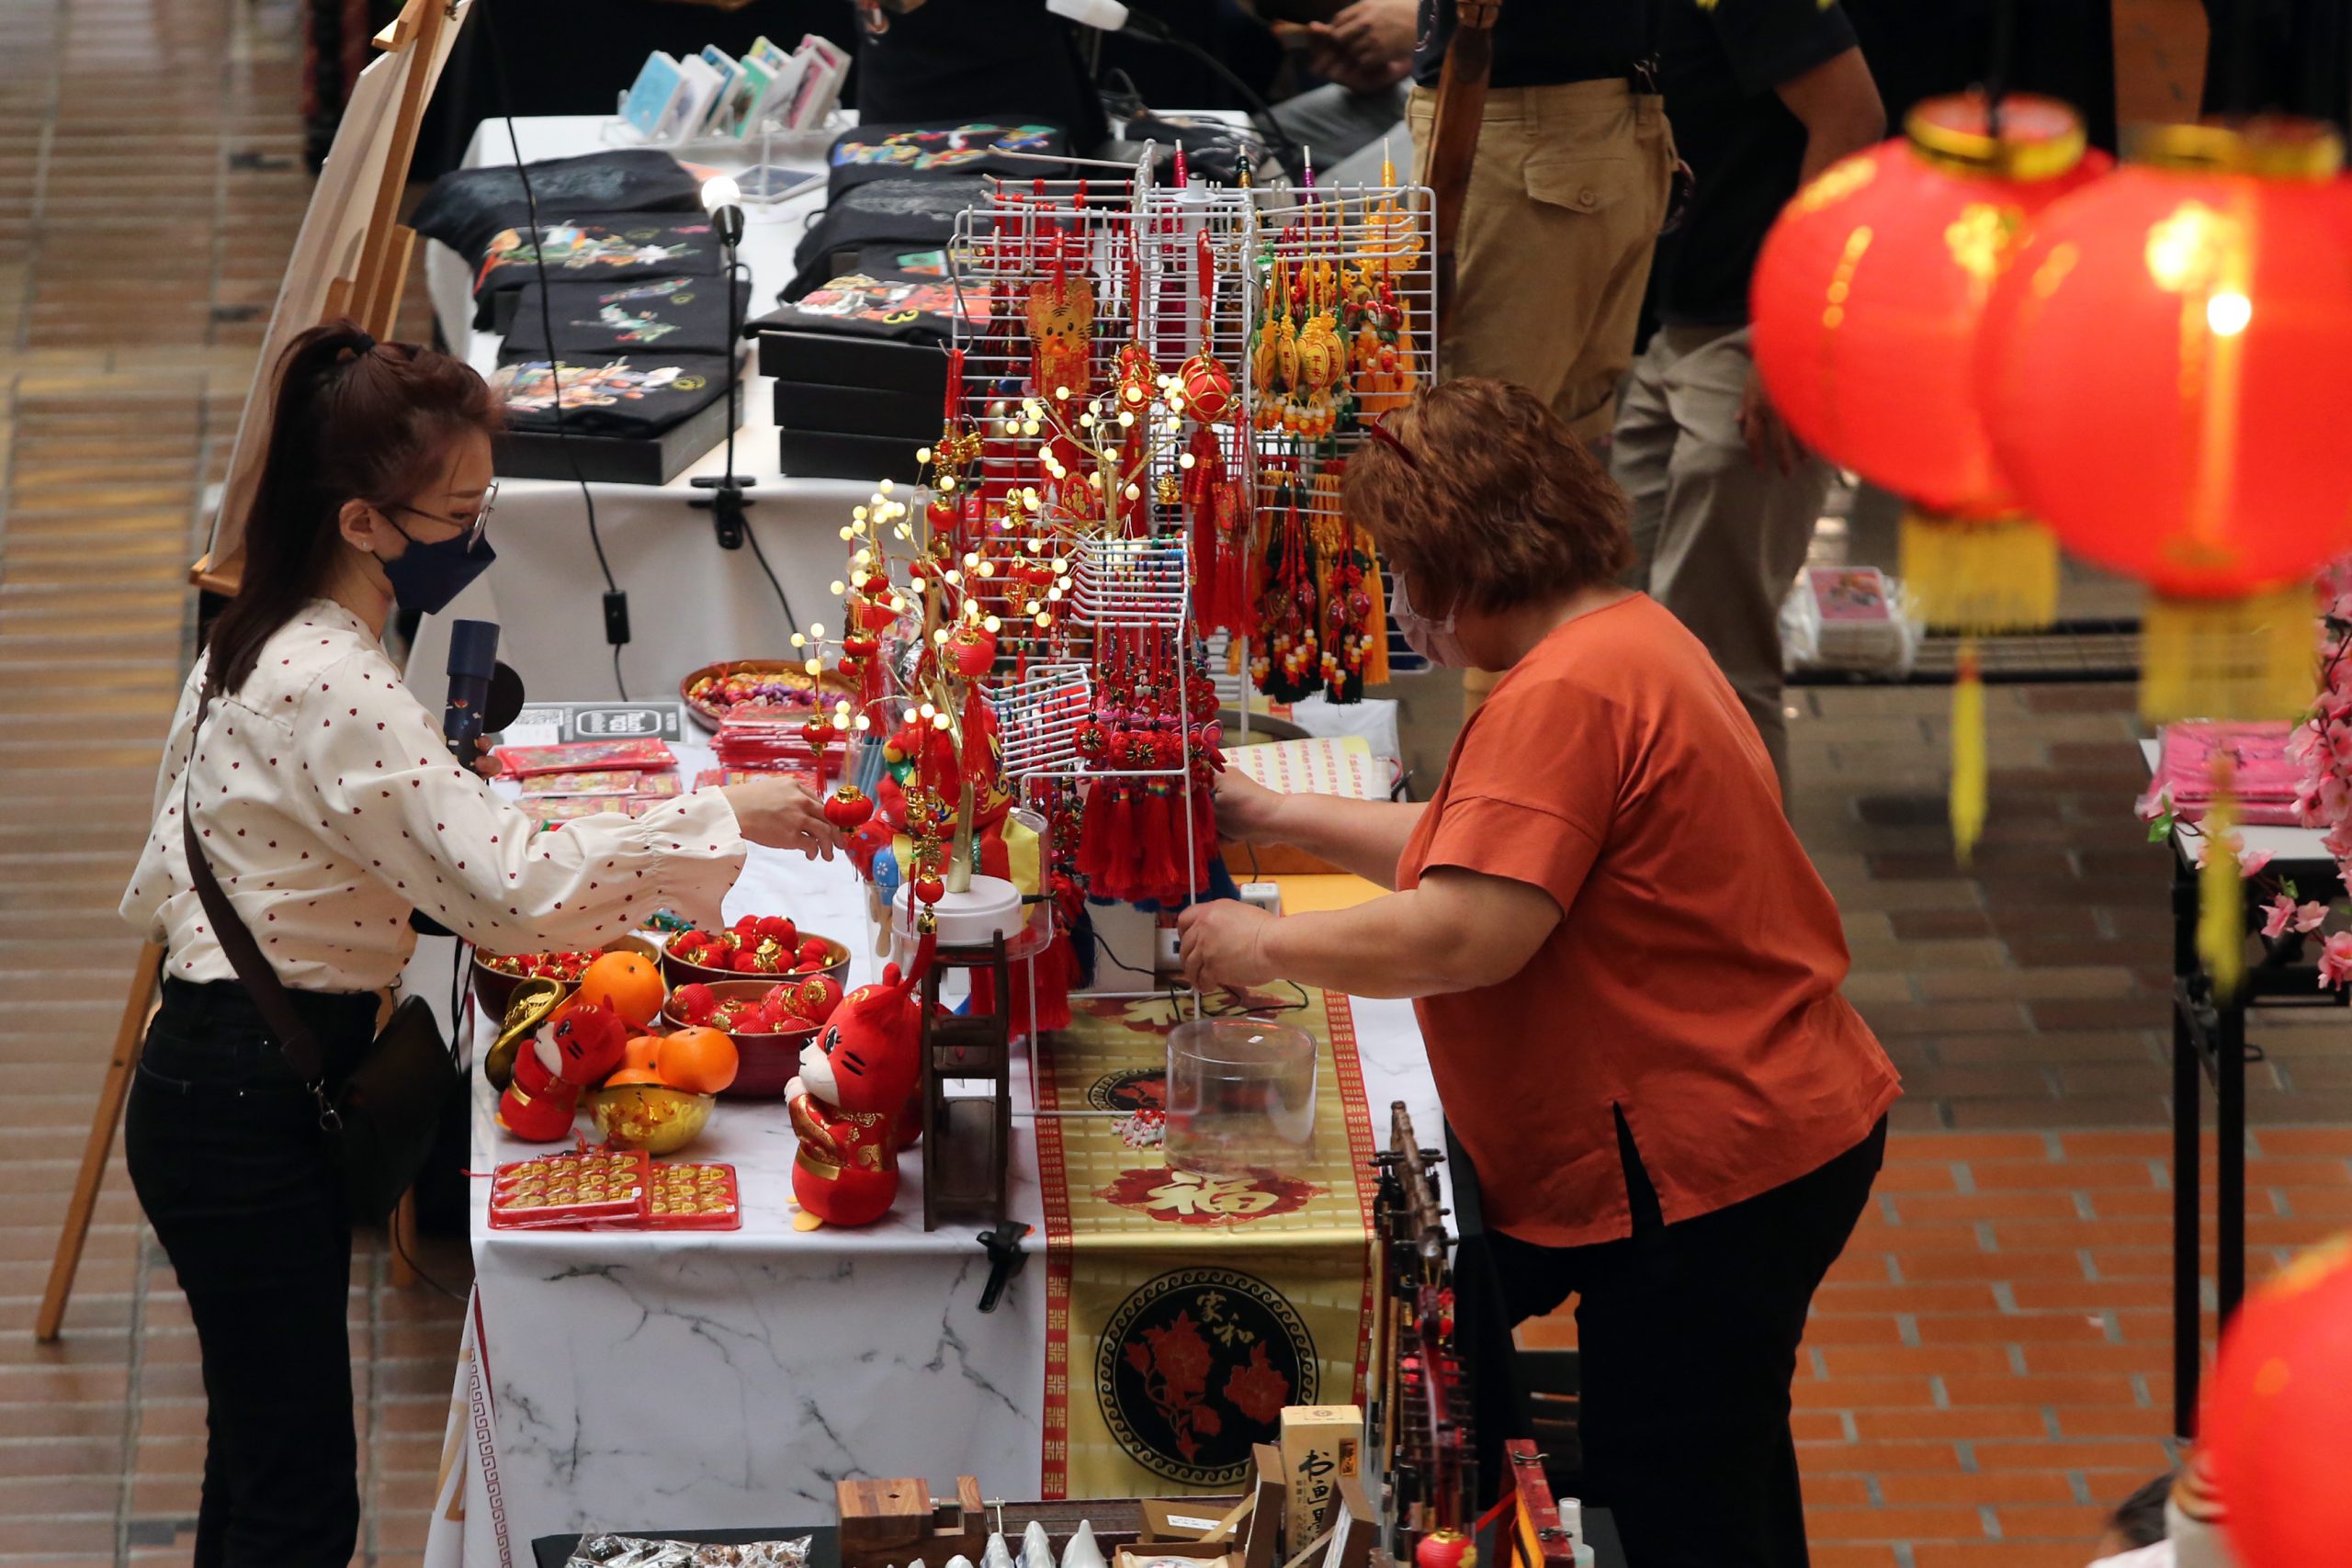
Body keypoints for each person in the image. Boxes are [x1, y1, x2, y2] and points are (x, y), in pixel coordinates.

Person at [118, 321, 840, 1568]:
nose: (476, 527)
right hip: (243, 1102)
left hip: (227, 1075)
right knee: (297, 1500)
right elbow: (511, 893)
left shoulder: (274, 627)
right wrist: (714, 815)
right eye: (457, 504)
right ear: (360, 520)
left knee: (257, 1459)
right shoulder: (329, 674)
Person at [1178, 378, 1899, 1567]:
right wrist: (1271, 808)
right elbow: (1477, 846)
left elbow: (1468, 928)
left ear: (1463, 568)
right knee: (1722, 1462)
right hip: (1767, 1131)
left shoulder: (1563, 691)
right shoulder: (1622, 635)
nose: (1406, 608)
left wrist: (1269, 943)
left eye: (1408, 576)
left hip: (1712, 1163)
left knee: (1674, 1489)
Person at [1610, 0, 1885, 791]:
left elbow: (1852, 116)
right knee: (1620, 636)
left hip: (1751, 337)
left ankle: (1755, 914)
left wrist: (1789, 324)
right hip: (1677, 332)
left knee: (1720, 667)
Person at [1407, 0, 1676, 723]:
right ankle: (1554, 764)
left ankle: (1511, 787)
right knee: (1554, 477)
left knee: (1493, 485)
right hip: (1595, 119)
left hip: (1532, 127)